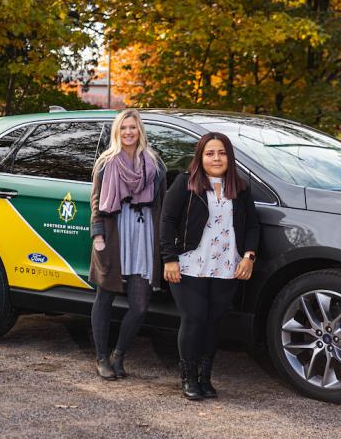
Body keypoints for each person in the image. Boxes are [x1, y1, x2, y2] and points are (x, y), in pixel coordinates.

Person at [160, 132, 259, 400]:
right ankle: (188, 378)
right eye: (210, 153)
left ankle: (205, 378)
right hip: (189, 264)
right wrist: (169, 259)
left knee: (214, 322)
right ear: (200, 157)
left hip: (227, 265)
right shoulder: (186, 183)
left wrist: (248, 256)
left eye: (222, 153)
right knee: (193, 319)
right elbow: (167, 221)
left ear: (229, 156)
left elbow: (252, 225)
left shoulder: (240, 188)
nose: (216, 158)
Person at [89, 109, 167, 380]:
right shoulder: (106, 163)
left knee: (140, 305)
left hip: (144, 235)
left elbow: (161, 203)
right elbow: (96, 201)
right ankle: (101, 358)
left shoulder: (155, 164)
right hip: (114, 234)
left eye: (133, 127)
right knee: (105, 297)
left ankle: (118, 354)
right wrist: (98, 235)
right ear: (117, 132)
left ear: (140, 130)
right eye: (123, 128)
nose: (128, 133)